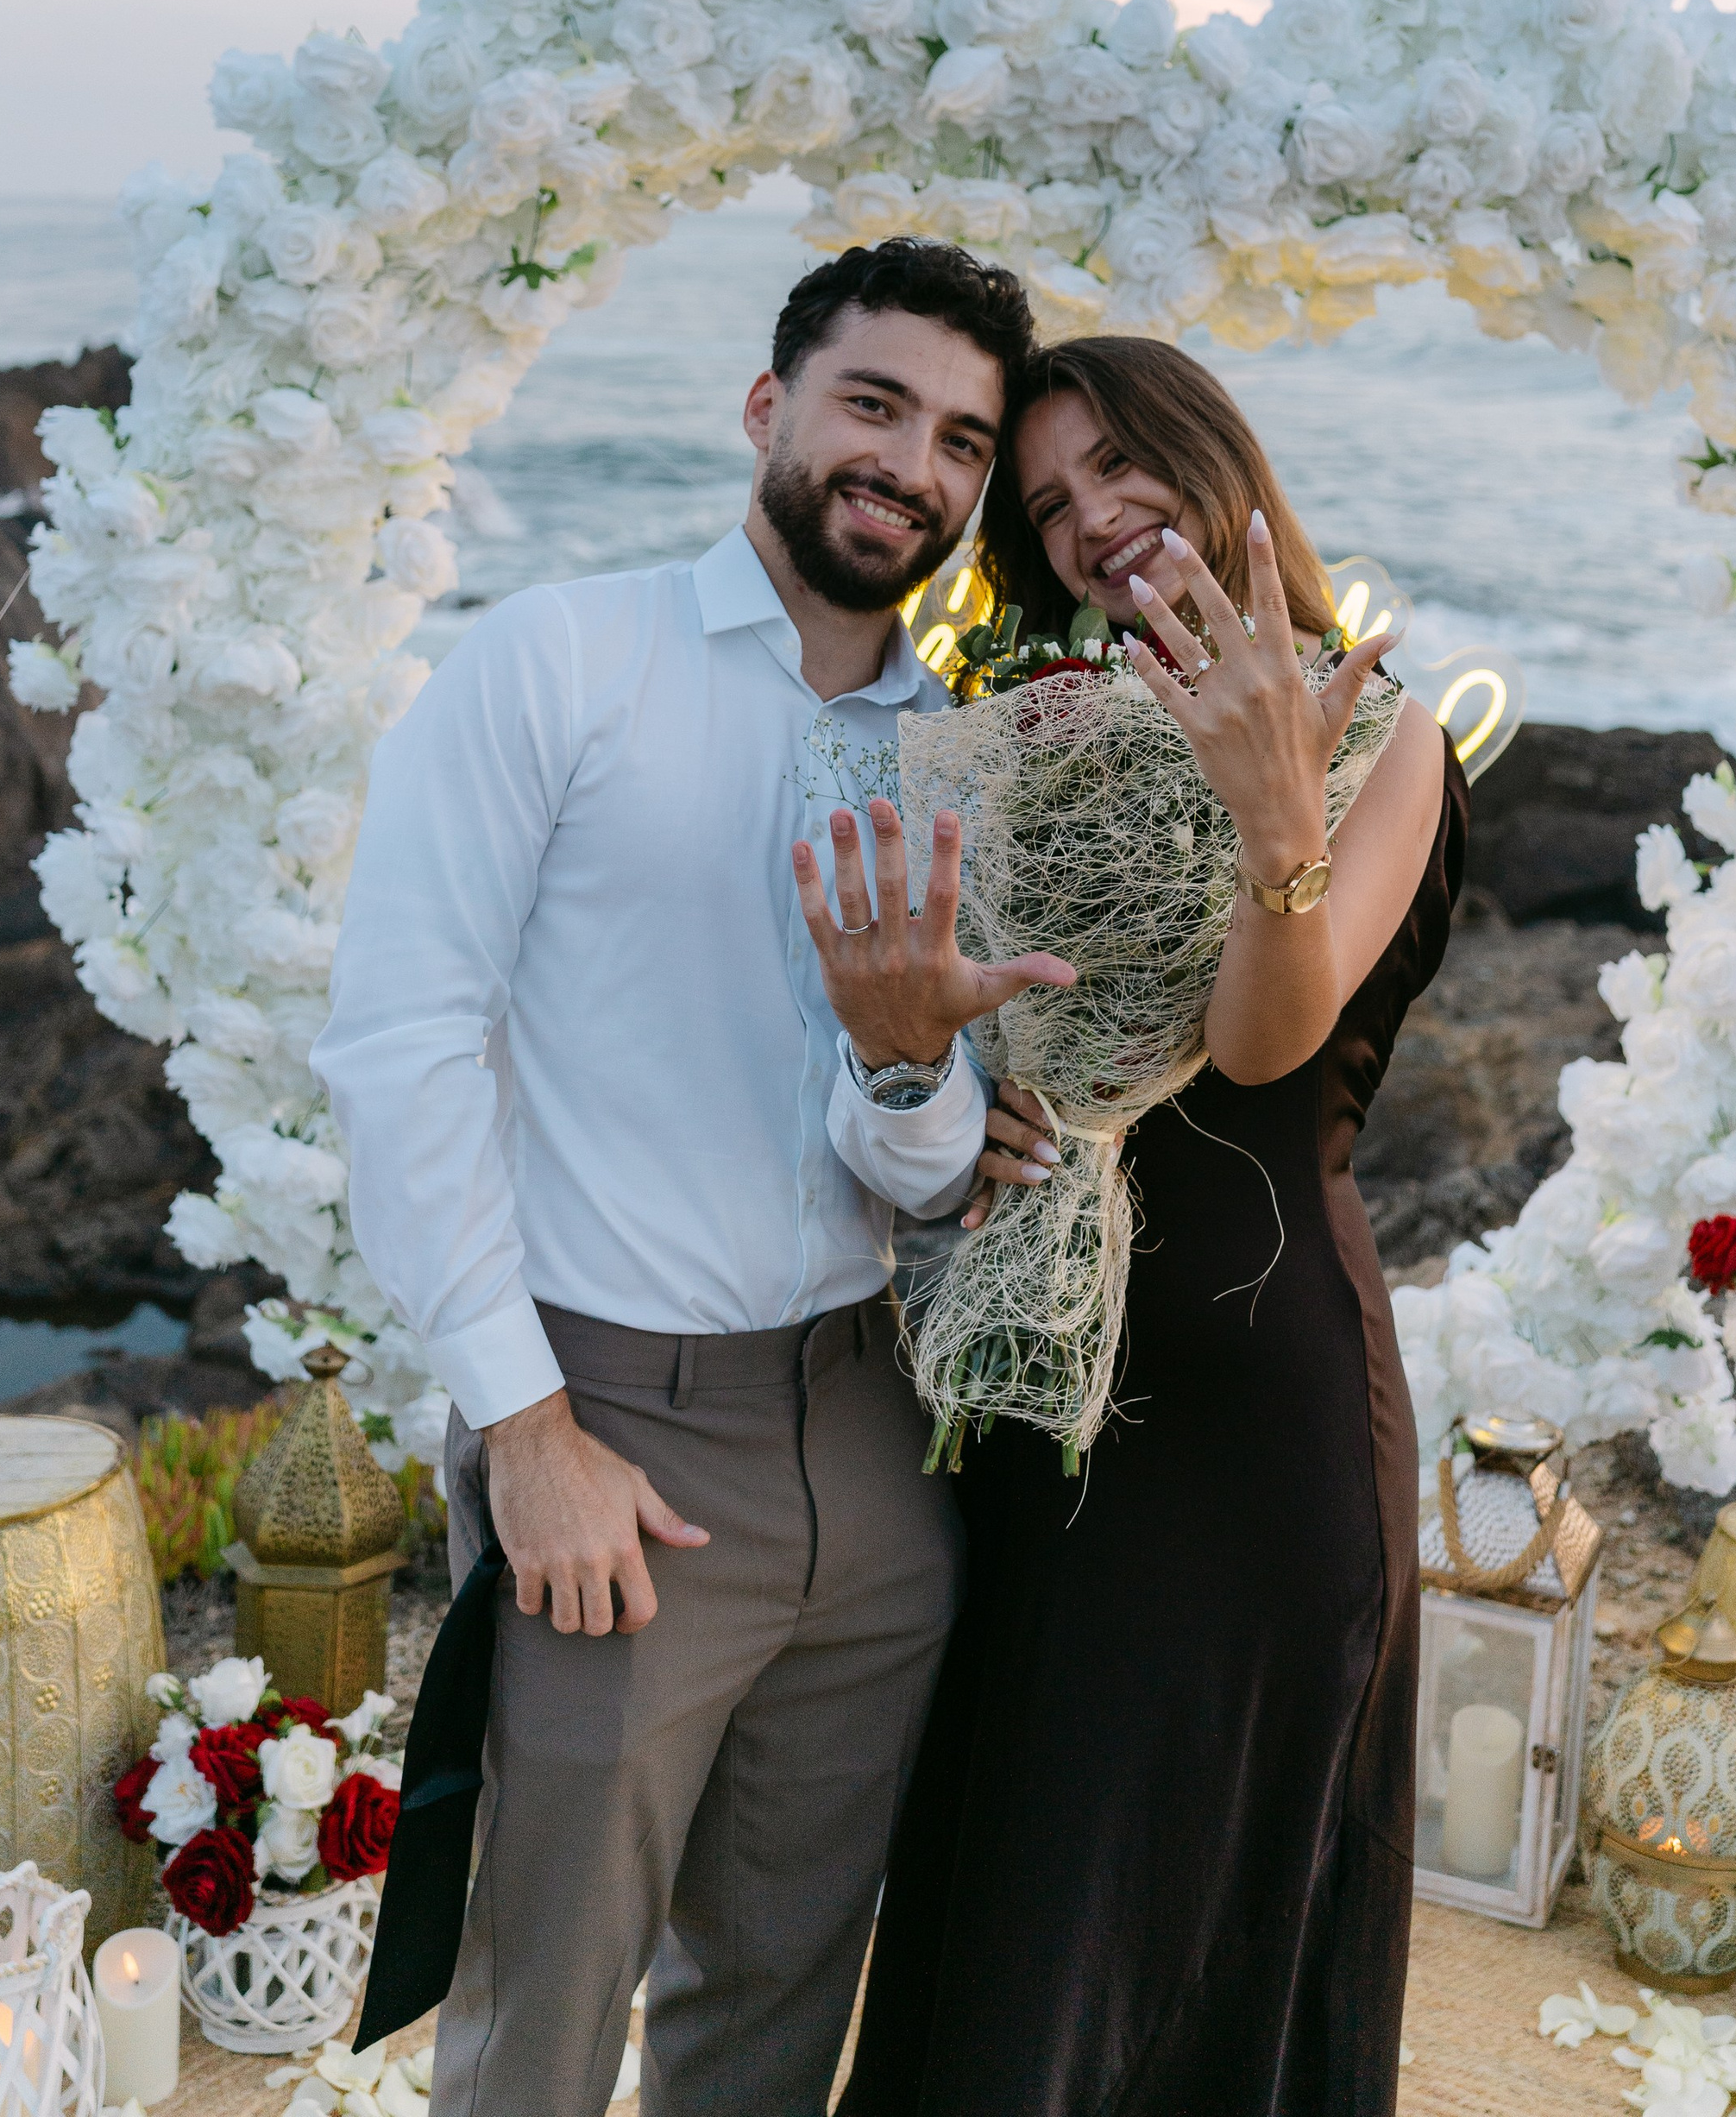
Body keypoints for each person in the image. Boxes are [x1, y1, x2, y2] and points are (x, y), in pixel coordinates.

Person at [315, 238, 1078, 2117]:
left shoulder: (952, 766)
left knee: (776, 2006)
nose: (909, 463)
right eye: (872, 404)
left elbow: (915, 1170)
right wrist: (524, 1430)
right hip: (613, 1439)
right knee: (543, 2014)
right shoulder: (560, 659)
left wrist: (909, 1059)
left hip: (870, 1439)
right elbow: (400, 1047)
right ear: (769, 409)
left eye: (961, 442)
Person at [823, 337, 1464, 2117]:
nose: (1095, 515)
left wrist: (1272, 801)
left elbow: (1267, 1040)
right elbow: (994, 998)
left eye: (1120, 464)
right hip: (1037, 1401)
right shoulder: (1047, 724)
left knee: (1186, 1938)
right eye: (1045, 505)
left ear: (1209, 454)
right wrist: (973, 1088)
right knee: (1017, 1905)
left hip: (1253, 1438)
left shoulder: (1380, 726)